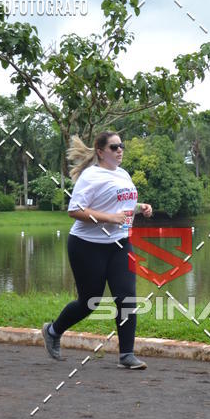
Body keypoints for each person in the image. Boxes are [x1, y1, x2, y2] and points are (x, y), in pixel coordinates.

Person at [42, 131, 153, 369]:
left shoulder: (123, 174)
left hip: (120, 244)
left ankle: (127, 355)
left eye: (121, 146)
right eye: (114, 147)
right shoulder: (90, 176)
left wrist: (139, 207)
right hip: (87, 246)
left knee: (127, 299)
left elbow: (119, 206)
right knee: (89, 302)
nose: (120, 150)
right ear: (101, 152)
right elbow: (75, 211)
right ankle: (53, 331)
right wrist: (110, 218)